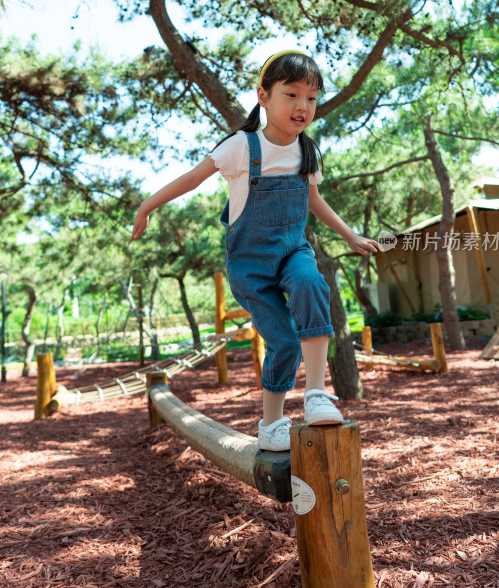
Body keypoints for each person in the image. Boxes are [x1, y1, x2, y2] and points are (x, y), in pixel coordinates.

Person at [130, 50, 382, 452]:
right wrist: (147, 206)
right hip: (251, 267)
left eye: (312, 98)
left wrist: (349, 235)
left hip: (292, 251)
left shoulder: (307, 150)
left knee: (311, 282)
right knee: (282, 341)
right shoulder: (241, 147)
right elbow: (193, 179)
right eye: (292, 94)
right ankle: (272, 422)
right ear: (263, 97)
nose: (303, 106)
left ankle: (316, 394)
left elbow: (313, 199)